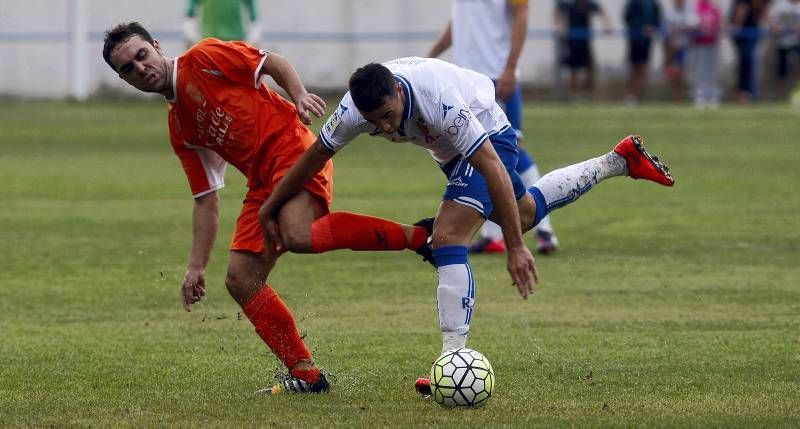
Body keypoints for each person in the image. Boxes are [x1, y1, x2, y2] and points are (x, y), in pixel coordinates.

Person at [257, 57, 675, 395]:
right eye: (375, 124)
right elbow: (314, 158)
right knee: (525, 212)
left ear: (399, 93)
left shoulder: (440, 101)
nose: (384, 128)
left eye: (388, 116)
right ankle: (617, 161)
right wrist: (271, 205)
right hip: (448, 153)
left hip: (488, 132)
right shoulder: (353, 110)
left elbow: (489, 162)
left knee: (449, 237)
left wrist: (513, 247)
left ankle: (451, 362)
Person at [101, 22, 433, 394]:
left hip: (294, 150)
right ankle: (306, 374)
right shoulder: (180, 126)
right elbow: (206, 199)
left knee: (297, 233)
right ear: (124, 79)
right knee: (241, 278)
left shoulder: (203, 57)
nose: (141, 68)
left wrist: (299, 95)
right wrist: (195, 267)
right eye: (128, 68)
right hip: (262, 182)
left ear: (156, 46)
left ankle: (421, 236)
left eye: (142, 54)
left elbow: (271, 62)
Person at [428, 0, 560, 255]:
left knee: (513, 151)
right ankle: (492, 236)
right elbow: (462, 24)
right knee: (476, 153)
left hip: (495, 77)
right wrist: (431, 57)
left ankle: (545, 230)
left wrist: (510, 68)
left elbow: (522, 14)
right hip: (464, 79)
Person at [553, 0, 613, 101]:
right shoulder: (569, 4)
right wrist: (559, 26)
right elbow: (556, 13)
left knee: (591, 68)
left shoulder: (588, 4)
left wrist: (607, 25)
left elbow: (602, 12)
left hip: (585, 41)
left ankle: (587, 92)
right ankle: (574, 95)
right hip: (572, 41)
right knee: (574, 70)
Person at [623, 0, 663, 104]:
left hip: (647, 42)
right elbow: (627, 18)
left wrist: (653, 27)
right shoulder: (633, 2)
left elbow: (658, 19)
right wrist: (641, 27)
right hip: (635, 41)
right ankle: (630, 95)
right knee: (634, 68)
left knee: (644, 68)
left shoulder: (653, 3)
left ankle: (637, 96)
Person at [729, 0, 769, 103]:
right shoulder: (743, 3)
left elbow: (763, 14)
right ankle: (743, 92)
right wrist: (737, 27)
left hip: (752, 32)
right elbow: (739, 14)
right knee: (745, 62)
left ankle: (747, 92)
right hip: (743, 34)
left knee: (749, 63)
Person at [183, 0, 261, 47]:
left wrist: (254, 33)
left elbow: (253, 14)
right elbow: (191, 13)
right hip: (209, 42)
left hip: (236, 42)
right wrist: (190, 32)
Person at [692, 0, 723, 107]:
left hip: (712, 44)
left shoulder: (714, 8)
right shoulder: (695, 7)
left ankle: (713, 96)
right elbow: (693, 23)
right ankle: (700, 96)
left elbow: (720, 24)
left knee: (713, 72)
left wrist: (715, 30)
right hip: (699, 44)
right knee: (700, 71)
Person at [663, 0, 696, 101]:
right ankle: (676, 97)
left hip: (685, 47)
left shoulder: (689, 11)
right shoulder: (669, 13)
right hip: (671, 48)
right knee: (673, 74)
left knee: (681, 73)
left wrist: (679, 30)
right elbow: (666, 31)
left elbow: (692, 26)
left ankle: (680, 98)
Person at [767, 0, 800, 94]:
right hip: (782, 43)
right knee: (782, 72)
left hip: (796, 42)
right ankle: (783, 94)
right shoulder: (780, 4)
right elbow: (770, 19)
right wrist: (775, 28)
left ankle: (796, 91)